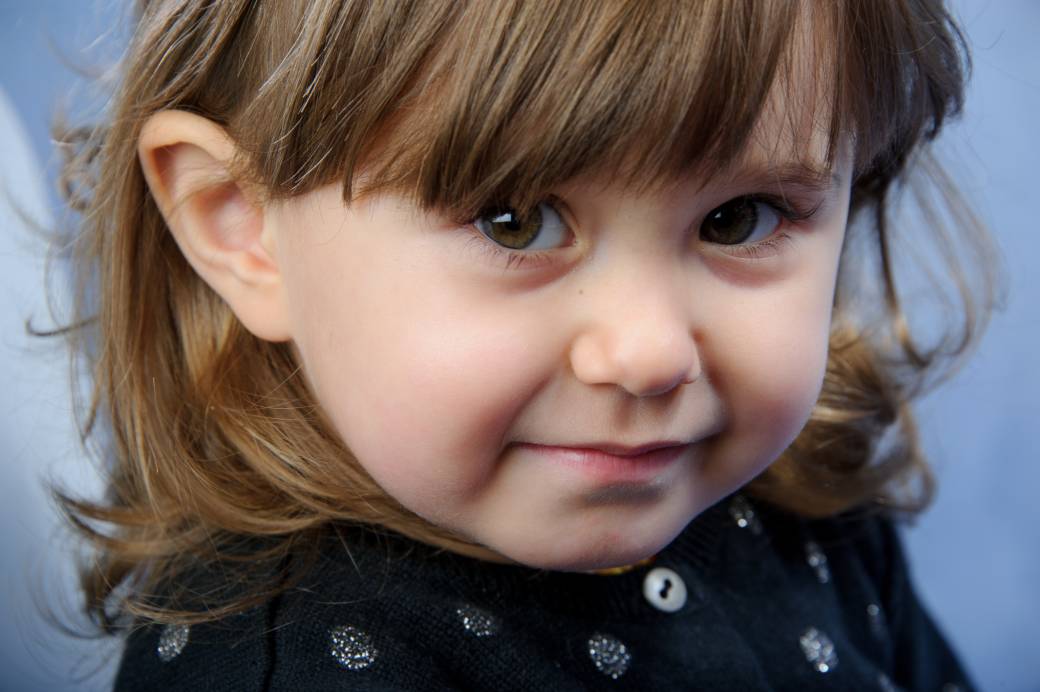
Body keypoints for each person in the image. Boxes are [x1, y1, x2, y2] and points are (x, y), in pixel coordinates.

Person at [49, 0, 1000, 689]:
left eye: (738, 218)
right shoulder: (295, 666)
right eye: (516, 221)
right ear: (243, 225)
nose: (648, 355)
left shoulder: (804, 504)